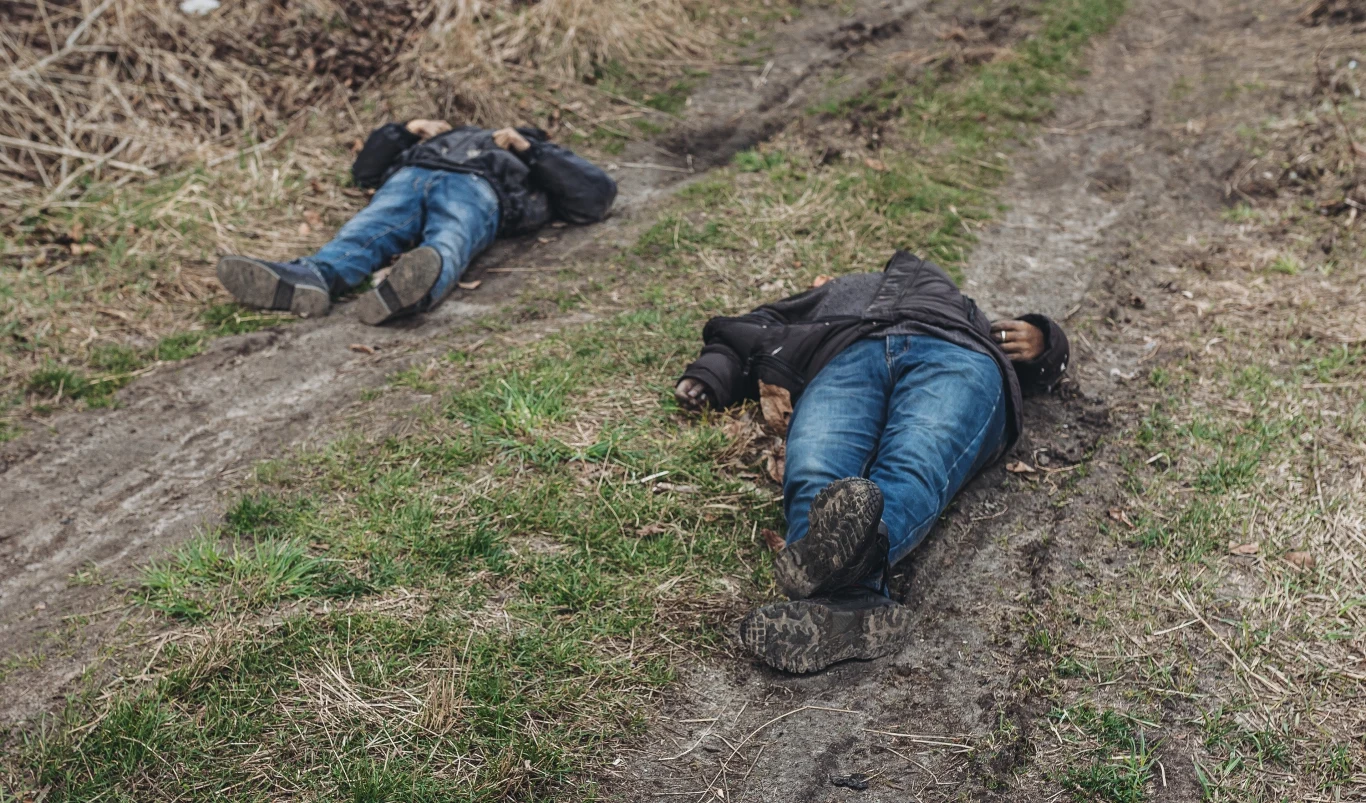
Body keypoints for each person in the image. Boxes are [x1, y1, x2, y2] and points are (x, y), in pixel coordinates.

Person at [675, 251, 1070, 673]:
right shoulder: (808, 308)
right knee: (813, 465)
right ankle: (851, 602)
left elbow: (1040, 363)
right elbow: (739, 336)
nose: (829, 281)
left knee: (916, 457)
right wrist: (709, 376)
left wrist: (1045, 339)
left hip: (954, 350)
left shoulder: (942, 293)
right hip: (846, 358)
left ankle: (830, 578)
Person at [216, 119, 617, 325]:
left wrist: (529, 148)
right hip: (409, 177)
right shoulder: (429, 139)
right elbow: (365, 173)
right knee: (365, 231)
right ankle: (311, 278)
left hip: (479, 188)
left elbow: (595, 197)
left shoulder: (531, 156)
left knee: (450, 237)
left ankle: (410, 290)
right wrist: (405, 131)